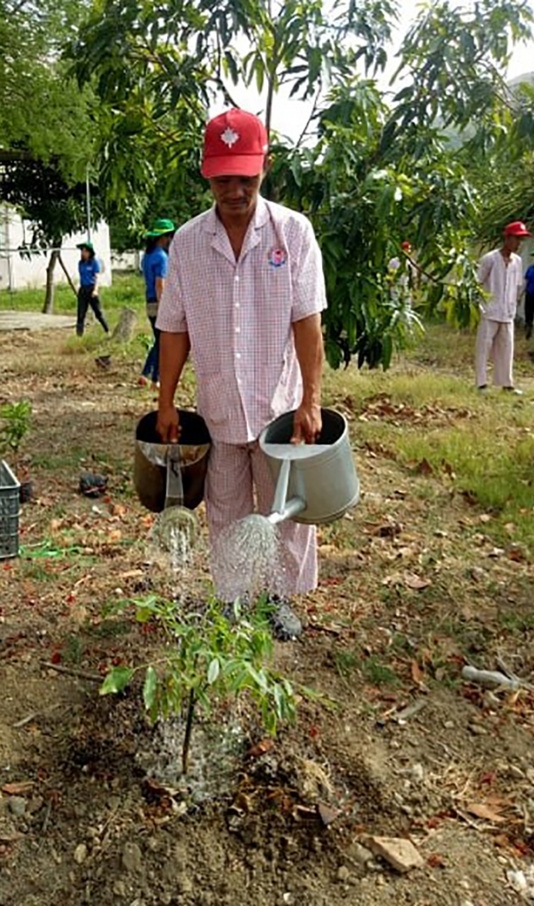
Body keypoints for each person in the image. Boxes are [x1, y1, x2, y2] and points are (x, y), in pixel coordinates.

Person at [155, 109, 327, 640]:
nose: (234, 190)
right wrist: (166, 402)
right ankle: (230, 603)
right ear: (207, 174)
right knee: (226, 510)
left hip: (279, 410)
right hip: (220, 407)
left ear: (266, 168)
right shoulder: (186, 243)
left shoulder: (292, 233)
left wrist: (312, 399)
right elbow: (174, 329)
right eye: (223, 178)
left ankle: (279, 600)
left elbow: (307, 322)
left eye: (246, 178)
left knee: (284, 513)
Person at [475, 221, 531, 393]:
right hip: (489, 310)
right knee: (484, 347)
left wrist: (515, 303)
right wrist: (479, 306)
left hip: (507, 312)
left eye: (520, 240)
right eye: (516, 239)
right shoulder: (490, 259)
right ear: (507, 238)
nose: (518, 244)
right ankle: (481, 383)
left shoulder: (517, 261)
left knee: (507, 348)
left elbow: (517, 286)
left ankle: (507, 383)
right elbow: (477, 282)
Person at [138, 218, 176, 390]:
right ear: (164, 238)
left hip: (149, 301)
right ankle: (155, 378)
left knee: (158, 341)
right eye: (169, 237)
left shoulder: (147, 256)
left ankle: (146, 375)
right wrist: (164, 306)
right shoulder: (161, 257)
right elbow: (160, 284)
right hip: (159, 301)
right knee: (162, 342)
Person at [76, 241, 108, 337]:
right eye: (82, 251)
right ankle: (79, 336)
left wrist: (95, 290)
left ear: (89, 252)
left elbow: (96, 277)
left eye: (85, 251)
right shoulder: (80, 263)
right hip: (83, 289)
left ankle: (107, 331)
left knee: (98, 313)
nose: (82, 253)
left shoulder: (94, 262)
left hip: (91, 289)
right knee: (80, 314)